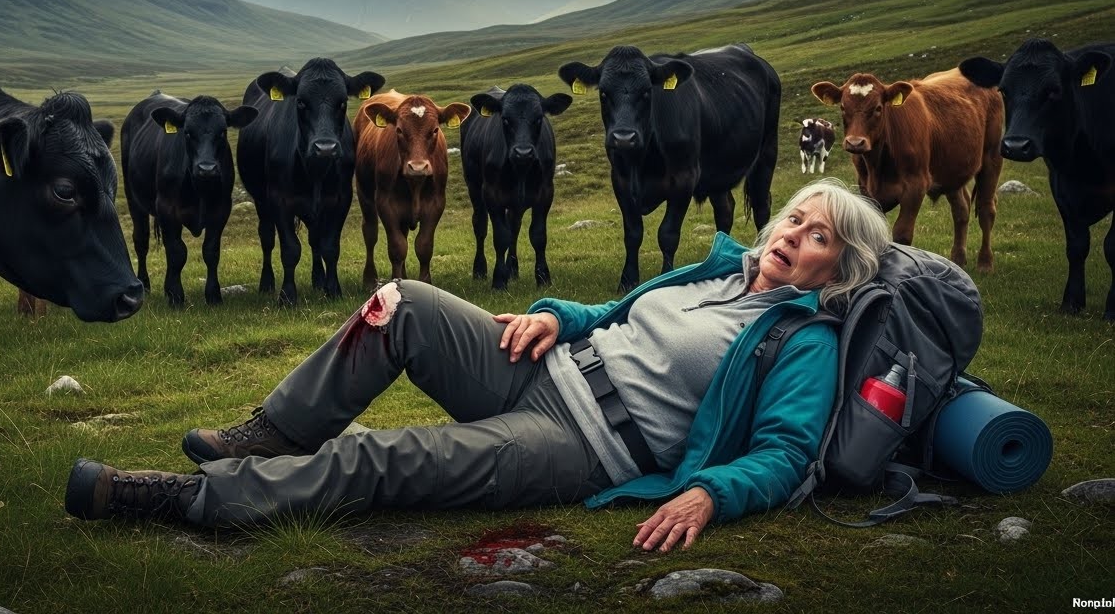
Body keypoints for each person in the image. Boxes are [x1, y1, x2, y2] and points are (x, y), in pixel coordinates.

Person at [64, 177, 891, 551]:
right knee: (405, 302)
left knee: (378, 457)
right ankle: (266, 437)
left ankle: (188, 499)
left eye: (816, 234)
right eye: (791, 217)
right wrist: (549, 315)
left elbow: (784, 454)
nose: (789, 235)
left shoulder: (803, 340)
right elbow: (611, 316)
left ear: (839, 266)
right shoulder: (716, 269)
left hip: (582, 444)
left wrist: (712, 490)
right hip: (539, 370)